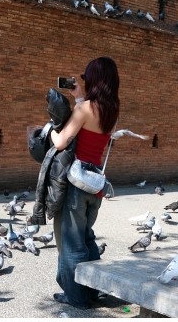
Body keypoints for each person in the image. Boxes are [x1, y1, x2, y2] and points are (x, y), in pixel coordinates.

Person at [50, 57, 119, 309]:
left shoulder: (84, 109)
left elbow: (61, 142)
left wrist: (48, 130)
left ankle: (76, 297)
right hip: (96, 184)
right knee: (87, 239)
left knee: (72, 243)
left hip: (77, 184)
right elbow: (92, 129)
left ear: (95, 80)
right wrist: (79, 98)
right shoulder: (112, 110)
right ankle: (92, 292)